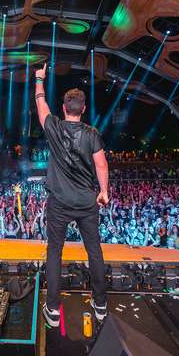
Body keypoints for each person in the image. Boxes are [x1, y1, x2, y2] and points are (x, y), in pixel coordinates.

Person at [34, 62, 109, 327]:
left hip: (60, 202)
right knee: (94, 251)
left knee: (54, 252)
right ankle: (100, 304)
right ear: (83, 109)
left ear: (64, 108)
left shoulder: (53, 126)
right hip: (87, 201)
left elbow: (41, 104)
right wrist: (104, 192)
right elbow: (101, 165)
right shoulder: (92, 133)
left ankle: (53, 310)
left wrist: (39, 79)